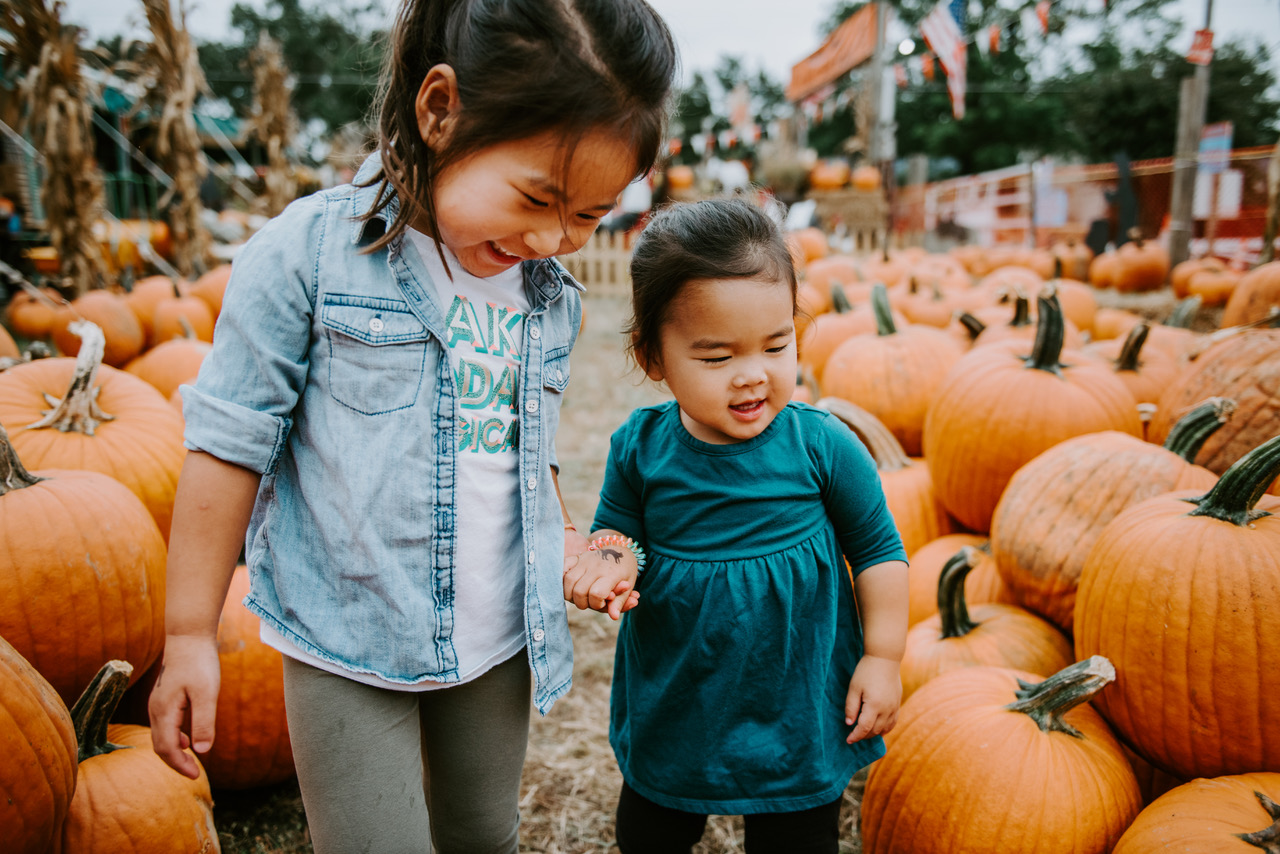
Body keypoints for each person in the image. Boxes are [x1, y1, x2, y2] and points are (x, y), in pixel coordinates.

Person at [147, 0, 676, 851]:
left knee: (483, 836)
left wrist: (566, 541)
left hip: (496, 637)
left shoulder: (548, 299)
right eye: (539, 196)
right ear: (440, 110)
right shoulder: (309, 257)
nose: (554, 237)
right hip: (348, 642)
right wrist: (188, 635)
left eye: (588, 216)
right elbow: (229, 446)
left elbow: (515, 446)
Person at [562, 198, 909, 853]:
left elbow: (879, 551)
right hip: (681, 696)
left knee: (796, 836)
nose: (754, 374)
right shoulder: (641, 448)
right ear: (654, 355)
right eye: (717, 357)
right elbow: (617, 533)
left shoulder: (823, 446)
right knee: (650, 830)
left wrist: (883, 657)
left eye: (777, 345)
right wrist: (608, 563)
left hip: (796, 704)